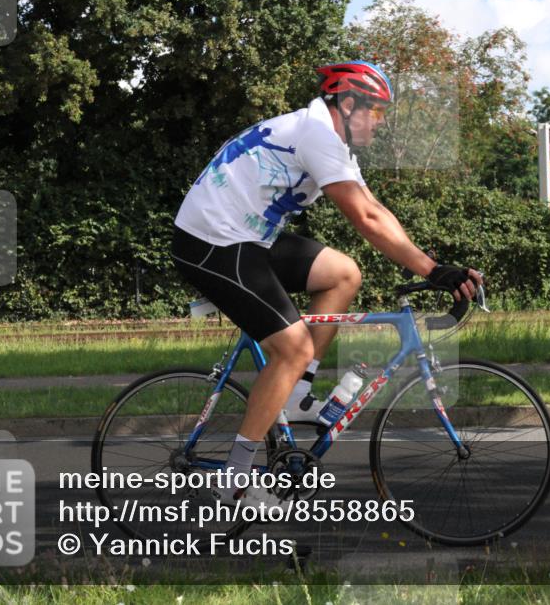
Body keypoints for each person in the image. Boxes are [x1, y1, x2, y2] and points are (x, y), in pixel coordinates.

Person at [171, 60, 483, 512]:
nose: (380, 122)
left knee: (343, 274)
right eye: (376, 111)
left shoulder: (334, 143)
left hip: (249, 238)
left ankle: (296, 395)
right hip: (212, 242)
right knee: (293, 348)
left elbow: (375, 207)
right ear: (348, 104)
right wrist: (432, 271)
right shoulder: (316, 133)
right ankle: (234, 480)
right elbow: (366, 219)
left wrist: (433, 265)